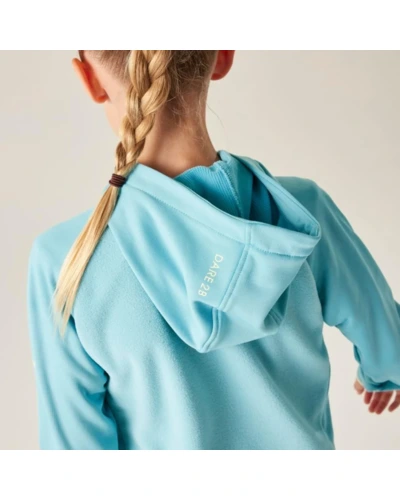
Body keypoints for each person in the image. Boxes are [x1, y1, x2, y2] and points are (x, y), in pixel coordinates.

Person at [27, 50, 400, 450]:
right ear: (222, 57)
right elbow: (389, 345)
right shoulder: (301, 211)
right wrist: (382, 373)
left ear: (90, 80)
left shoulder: (66, 260)